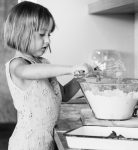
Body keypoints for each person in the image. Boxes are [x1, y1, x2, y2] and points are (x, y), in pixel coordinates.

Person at [4, 1, 90, 150]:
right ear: (21, 33)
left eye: (49, 35)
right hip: (27, 144)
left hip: (46, 143)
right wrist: (71, 68)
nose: (48, 40)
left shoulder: (43, 63)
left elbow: (64, 94)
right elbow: (30, 71)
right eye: (42, 34)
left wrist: (80, 77)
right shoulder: (17, 65)